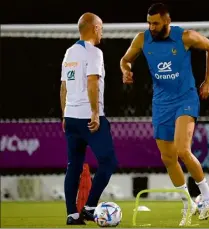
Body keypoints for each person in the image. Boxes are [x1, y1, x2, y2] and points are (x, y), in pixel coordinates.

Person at [120, 3, 209, 226]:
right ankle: (188, 204)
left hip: (186, 99)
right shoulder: (142, 39)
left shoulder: (184, 36)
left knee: (183, 149)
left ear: (166, 21)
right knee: (168, 157)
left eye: (155, 22)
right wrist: (126, 70)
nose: (151, 26)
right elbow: (125, 60)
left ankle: (208, 197)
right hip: (161, 103)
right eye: (149, 22)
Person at [60, 12, 118, 225]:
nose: (102, 31)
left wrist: (64, 114)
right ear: (94, 28)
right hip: (89, 118)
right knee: (109, 161)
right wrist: (95, 113)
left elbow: (63, 86)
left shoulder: (69, 52)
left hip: (72, 118)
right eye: (101, 27)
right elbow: (92, 81)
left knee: (73, 165)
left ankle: (71, 214)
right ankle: (90, 206)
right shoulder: (94, 53)